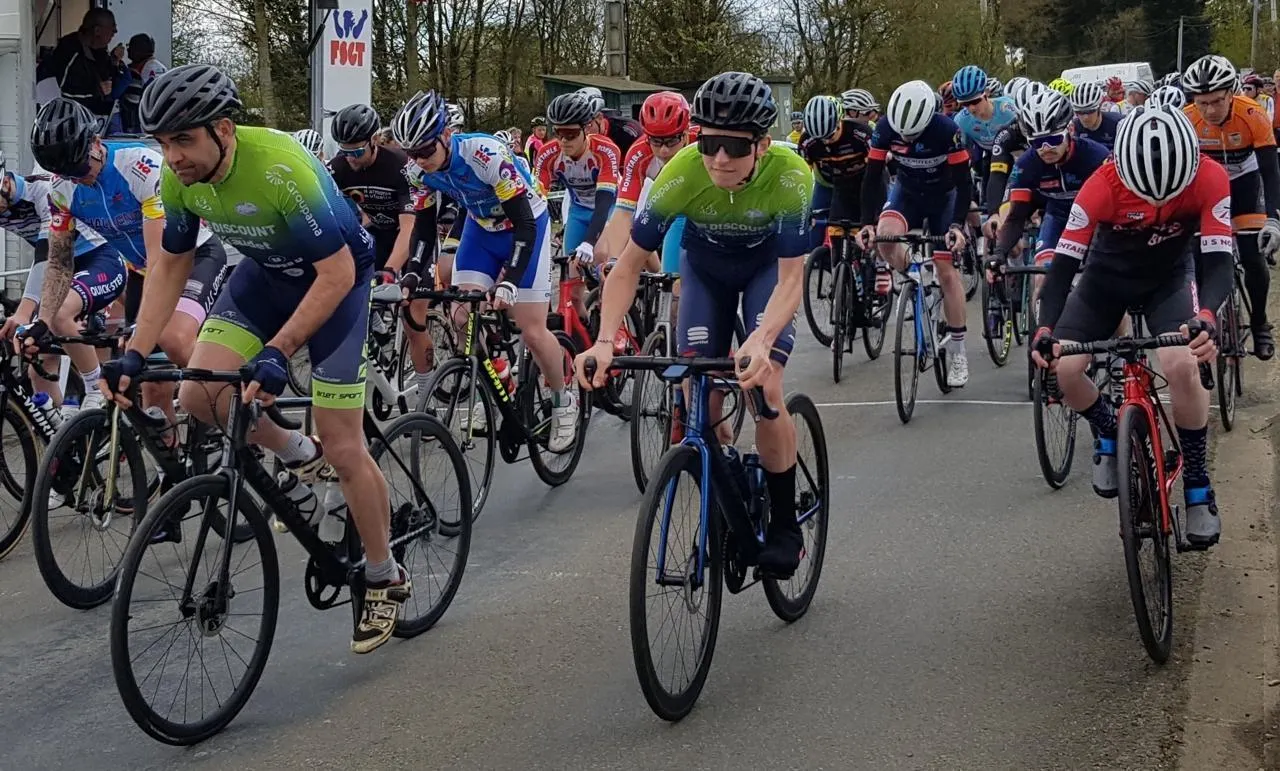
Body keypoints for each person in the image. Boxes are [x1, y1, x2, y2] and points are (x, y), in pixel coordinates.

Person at [110, 63, 410, 653]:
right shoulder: (179, 176)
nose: (172, 156)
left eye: (183, 140)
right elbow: (169, 266)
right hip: (265, 277)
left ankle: (384, 574)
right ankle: (299, 455)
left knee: (345, 445)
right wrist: (136, 352)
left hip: (337, 285)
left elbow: (336, 273)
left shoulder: (280, 167)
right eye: (163, 143)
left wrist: (279, 350)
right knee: (200, 395)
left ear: (223, 129)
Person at [575, 71, 810, 575]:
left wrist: (761, 338)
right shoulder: (681, 172)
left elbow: (793, 279)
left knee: (765, 385)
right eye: (708, 143)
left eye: (734, 146)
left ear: (762, 144)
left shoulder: (791, 175)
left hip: (766, 270)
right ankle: (726, 485)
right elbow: (628, 265)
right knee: (696, 398)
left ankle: (786, 525)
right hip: (707, 270)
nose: (719, 158)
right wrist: (604, 340)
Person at [1031, 106, 1231, 550]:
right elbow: (1062, 269)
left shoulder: (1211, 176)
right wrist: (1045, 330)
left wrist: (1207, 317)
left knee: (1181, 364)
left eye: (1169, 198)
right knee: (1065, 370)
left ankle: (1197, 480)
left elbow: (1218, 261)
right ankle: (1106, 428)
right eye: (1147, 198)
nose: (1158, 206)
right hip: (1106, 281)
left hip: (1169, 280)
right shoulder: (1099, 185)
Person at [391, 89, 579, 452]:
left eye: (426, 150)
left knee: (532, 330)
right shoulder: (417, 170)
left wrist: (510, 281)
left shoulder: (485, 154)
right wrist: (413, 272)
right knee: (461, 315)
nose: (420, 160)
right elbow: (424, 229)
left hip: (525, 226)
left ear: (447, 135)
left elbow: (524, 223)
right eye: (412, 153)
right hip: (481, 229)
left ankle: (562, 400)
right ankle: (496, 382)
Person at [27, 97, 228, 426]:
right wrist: (44, 321)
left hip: (193, 258)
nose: (77, 179)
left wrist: (144, 329)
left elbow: (160, 256)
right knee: (153, 388)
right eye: (65, 174)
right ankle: (171, 454)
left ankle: (231, 403)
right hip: (142, 272)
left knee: (174, 339)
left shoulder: (138, 166)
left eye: (80, 169)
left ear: (95, 142)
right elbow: (60, 263)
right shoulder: (62, 189)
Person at [857, 80, 973, 388]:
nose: (906, 139)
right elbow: (871, 178)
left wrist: (957, 226)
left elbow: (964, 184)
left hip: (944, 198)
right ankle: (915, 275)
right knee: (885, 238)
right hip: (907, 194)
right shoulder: (884, 128)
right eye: (902, 134)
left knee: (947, 272)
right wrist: (866, 223)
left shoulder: (948, 131)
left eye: (913, 134)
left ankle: (958, 350)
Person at [328, 103, 436, 402]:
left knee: (412, 319)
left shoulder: (400, 166)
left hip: (412, 238)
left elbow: (410, 227)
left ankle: (426, 397)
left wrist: (390, 270)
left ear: (374, 140)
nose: (350, 158)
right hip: (376, 237)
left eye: (357, 151)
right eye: (344, 151)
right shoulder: (337, 168)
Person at [0, 151, 125, 392]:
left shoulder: (43, 191)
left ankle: (96, 390)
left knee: (58, 314)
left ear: (5, 183)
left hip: (99, 261)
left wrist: (24, 313)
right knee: (39, 361)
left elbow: (47, 256)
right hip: (62, 271)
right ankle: (56, 416)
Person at [1183, 53, 1280, 359]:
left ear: (1231, 93)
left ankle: (1259, 322)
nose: (1210, 110)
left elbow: (1270, 171)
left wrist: (1273, 219)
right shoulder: (1186, 119)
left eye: (1217, 101)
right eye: (1202, 103)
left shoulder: (1252, 114)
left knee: (1253, 256)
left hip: (1244, 185)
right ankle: (1206, 322)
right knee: (1199, 257)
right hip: (1206, 190)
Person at [597, 91, 696, 274]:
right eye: (656, 141)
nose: (664, 150)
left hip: (710, 211)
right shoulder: (639, 153)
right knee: (671, 280)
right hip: (677, 211)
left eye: (671, 141)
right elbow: (623, 213)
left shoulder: (703, 143)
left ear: (685, 133)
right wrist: (613, 260)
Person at [36, 8, 126, 122]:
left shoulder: (100, 51)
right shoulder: (69, 50)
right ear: (97, 31)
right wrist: (97, 90)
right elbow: (62, 92)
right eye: (112, 27)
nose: (115, 31)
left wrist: (114, 62)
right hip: (67, 121)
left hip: (93, 119)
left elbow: (109, 82)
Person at [118, 33, 168, 134]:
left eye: (130, 46)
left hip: (140, 126)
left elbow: (132, 101)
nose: (128, 50)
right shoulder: (161, 68)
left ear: (138, 50)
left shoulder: (145, 71)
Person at [1068, 81, 1122, 149]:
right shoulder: (1074, 128)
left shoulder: (1117, 123)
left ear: (1099, 107)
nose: (1085, 117)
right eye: (1079, 112)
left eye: (1090, 111)